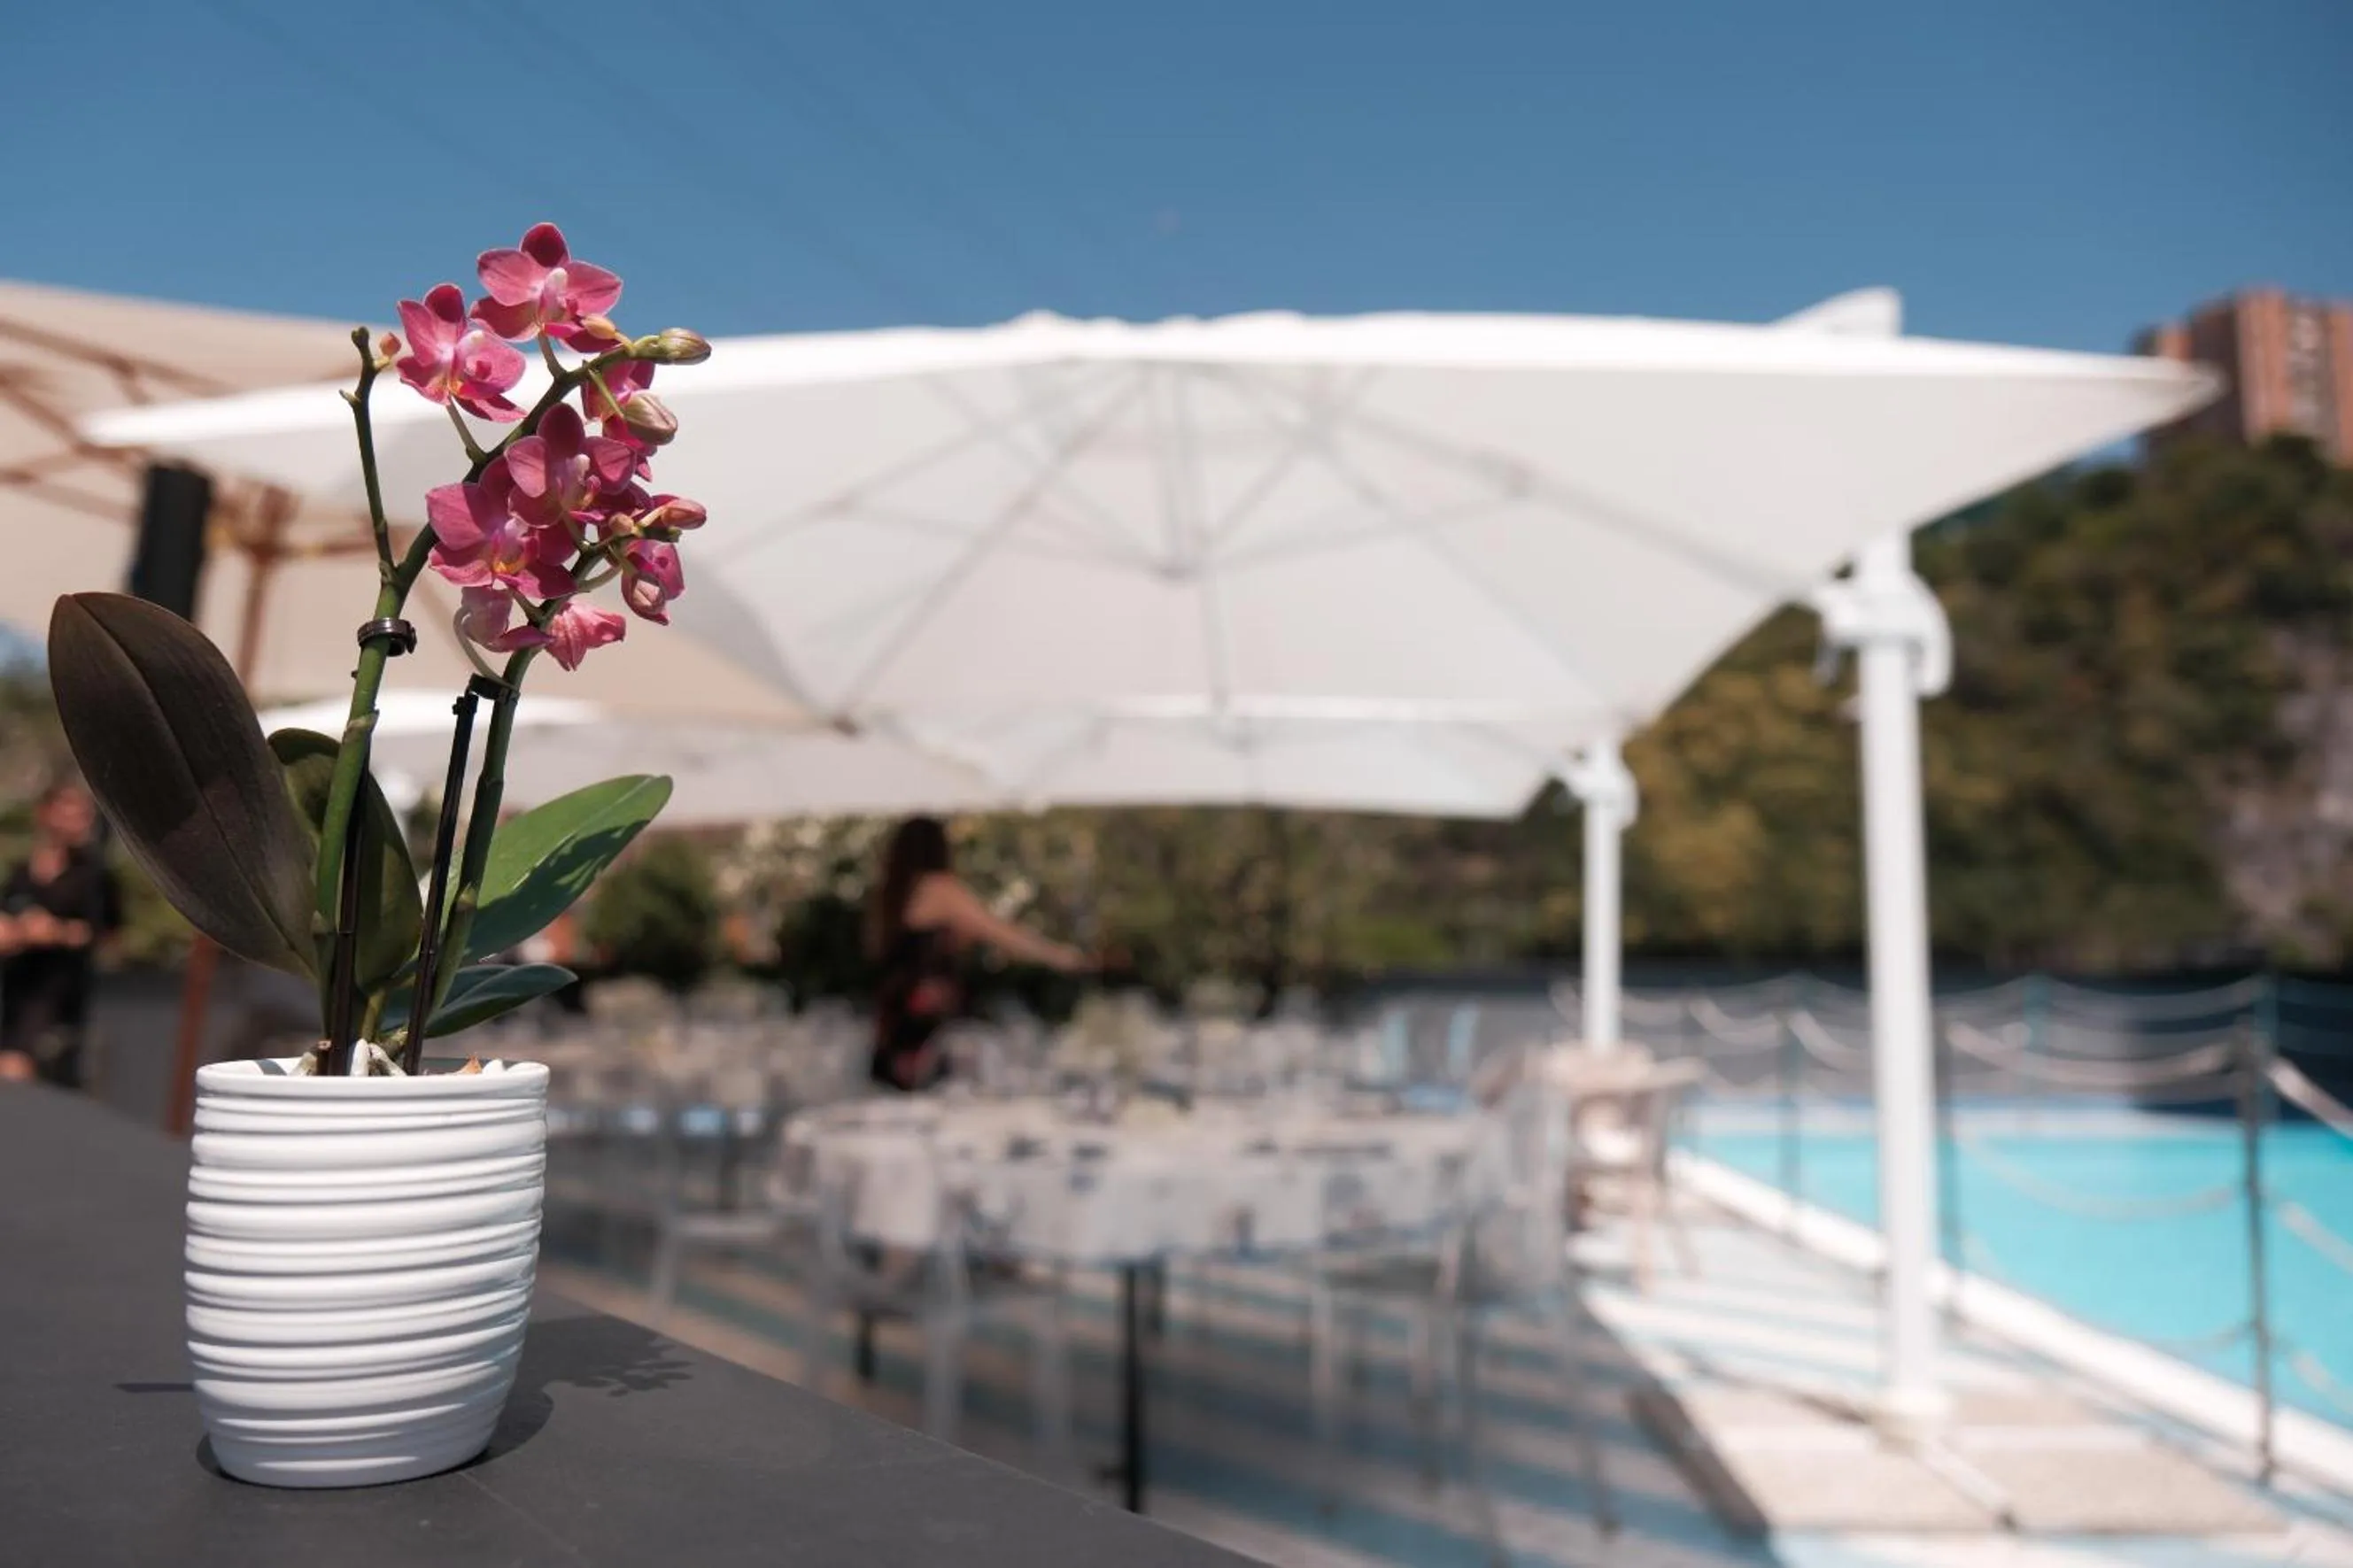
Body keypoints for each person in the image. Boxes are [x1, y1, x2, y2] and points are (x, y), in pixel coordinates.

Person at [866, 816, 1089, 1092]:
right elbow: (999, 932)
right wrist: (1060, 956)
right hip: (932, 1021)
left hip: (897, 1018)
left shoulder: (895, 894)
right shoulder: (939, 888)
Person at [0, 782, 122, 1089]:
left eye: (83, 814)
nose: (77, 821)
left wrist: (57, 932)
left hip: (55, 996)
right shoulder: (20, 873)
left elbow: (108, 935)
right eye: (68, 812)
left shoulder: (94, 875)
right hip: (12, 987)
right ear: (46, 814)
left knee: (18, 1070)